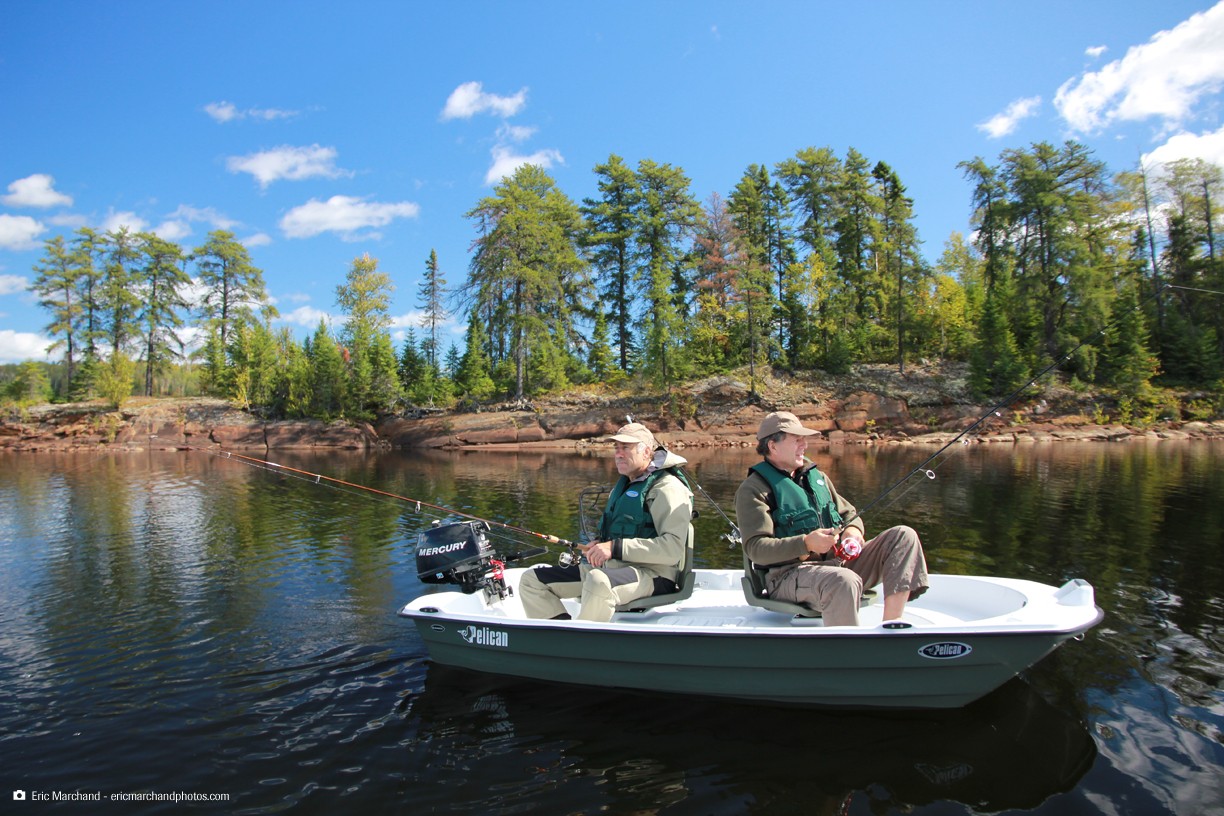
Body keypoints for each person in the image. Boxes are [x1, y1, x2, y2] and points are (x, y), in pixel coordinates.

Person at [734, 411, 928, 626]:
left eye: (804, 440)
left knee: (903, 536)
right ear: (773, 445)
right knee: (843, 581)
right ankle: (845, 651)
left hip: (839, 565)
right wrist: (806, 543)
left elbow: (849, 515)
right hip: (788, 577)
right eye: (797, 440)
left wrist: (852, 534)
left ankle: (892, 626)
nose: (804, 445)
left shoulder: (817, 478)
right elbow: (756, 549)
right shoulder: (753, 490)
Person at [519, 422, 694, 622]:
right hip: (615, 569)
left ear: (647, 452)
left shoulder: (667, 488)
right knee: (532, 581)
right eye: (616, 448)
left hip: (655, 576)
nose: (618, 454)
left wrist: (614, 547)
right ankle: (562, 638)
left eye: (625, 448)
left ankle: (583, 645)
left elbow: (672, 550)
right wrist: (600, 545)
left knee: (597, 581)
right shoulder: (626, 485)